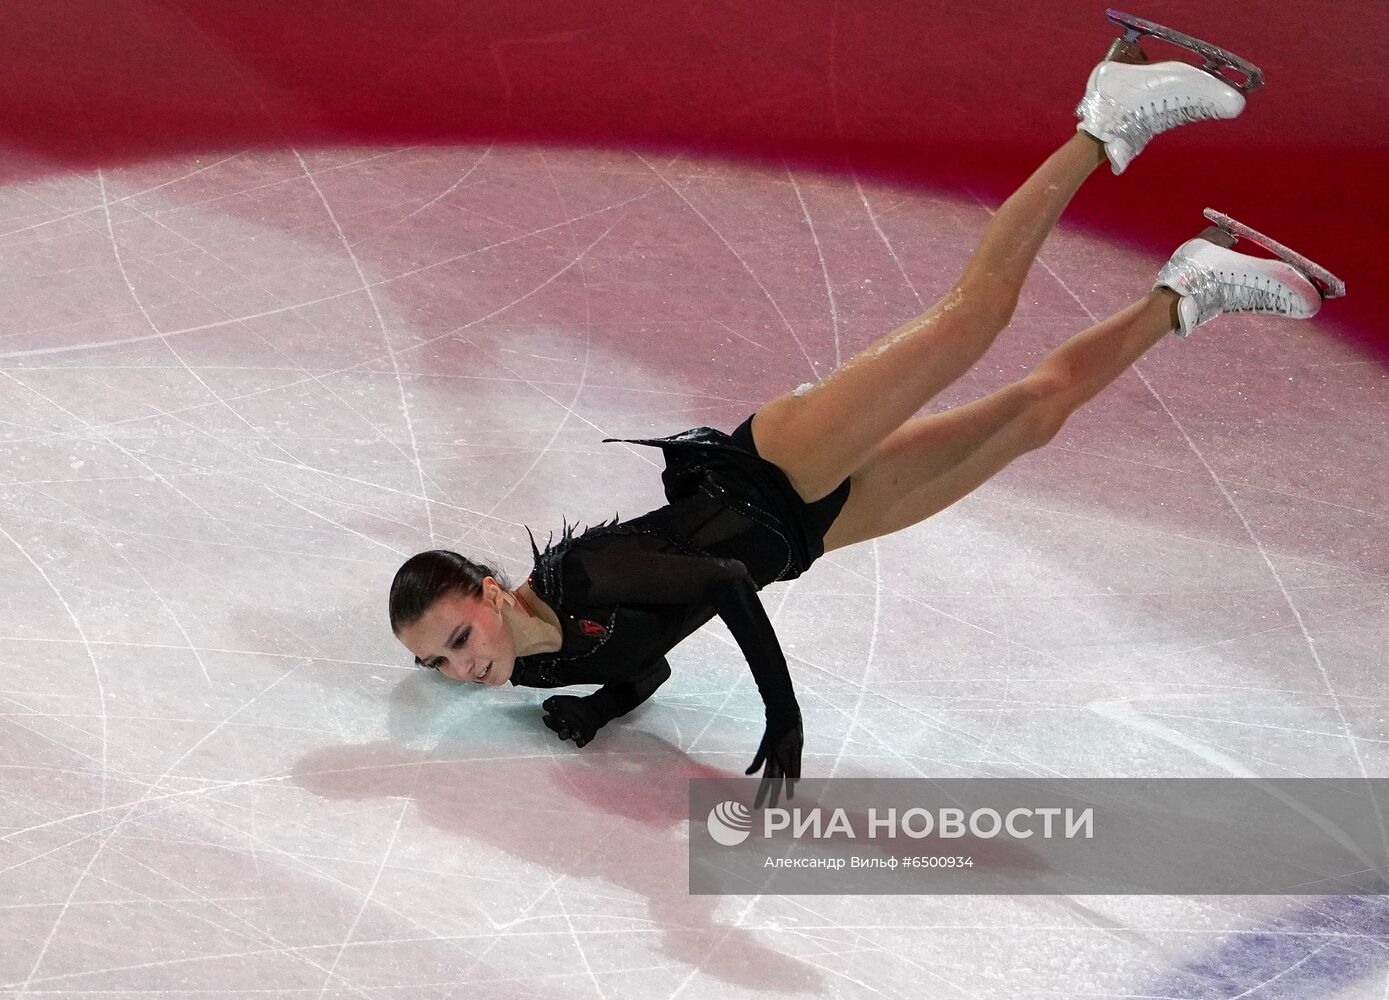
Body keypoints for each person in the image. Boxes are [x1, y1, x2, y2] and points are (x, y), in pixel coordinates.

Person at [389, 23, 1341, 808]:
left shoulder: (584, 577)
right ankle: (1186, 287)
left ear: (486, 587)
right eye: (438, 663)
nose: (460, 668)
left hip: (767, 472)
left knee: (974, 319)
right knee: (1028, 418)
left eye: (457, 638)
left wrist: (783, 714)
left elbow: (717, 579)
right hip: (809, 530)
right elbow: (646, 662)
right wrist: (600, 713)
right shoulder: (533, 670)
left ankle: (1107, 116)